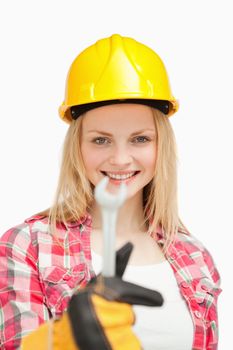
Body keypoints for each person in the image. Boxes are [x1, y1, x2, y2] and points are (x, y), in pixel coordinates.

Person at [0, 33, 221, 350]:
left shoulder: (194, 257)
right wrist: (64, 339)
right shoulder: (27, 246)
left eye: (140, 139)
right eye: (101, 140)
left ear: (162, 145)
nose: (120, 159)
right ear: (77, 146)